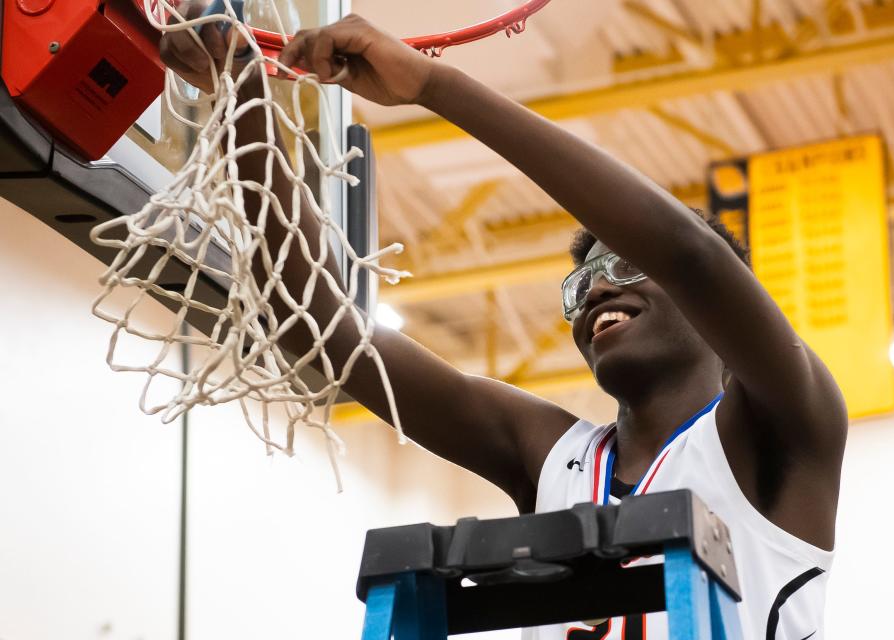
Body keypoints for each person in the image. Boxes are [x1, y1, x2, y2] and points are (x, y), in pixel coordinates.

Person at [160, 6, 847, 639]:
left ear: (716, 310)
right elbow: (322, 326)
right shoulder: (553, 453)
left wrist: (433, 85)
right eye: (580, 283)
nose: (599, 286)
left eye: (627, 263)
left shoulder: (785, 427)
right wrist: (242, 94)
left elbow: (690, 253)